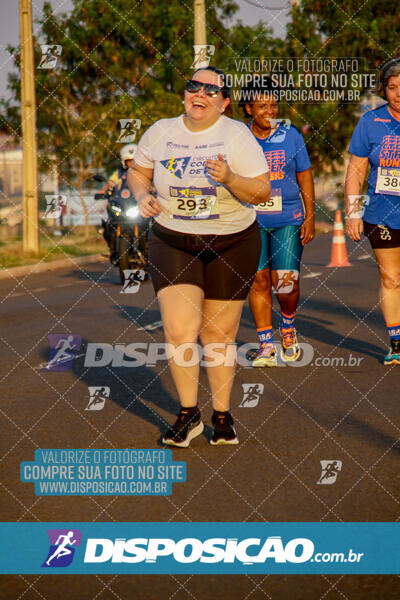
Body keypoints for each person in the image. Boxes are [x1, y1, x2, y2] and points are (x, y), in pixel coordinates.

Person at [128, 66, 270, 446]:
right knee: (178, 332)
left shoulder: (236, 136)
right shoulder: (161, 132)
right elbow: (138, 172)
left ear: (224, 104)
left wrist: (230, 179)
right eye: (195, 86)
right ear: (184, 94)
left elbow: (261, 191)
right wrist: (142, 196)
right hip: (173, 240)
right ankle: (188, 414)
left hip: (232, 241)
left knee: (218, 336)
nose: (200, 94)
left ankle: (222, 415)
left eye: (211, 91)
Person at [240, 77, 315, 367]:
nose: (269, 111)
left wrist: (309, 216)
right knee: (258, 281)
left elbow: (304, 175)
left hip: (288, 219)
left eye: (273, 105)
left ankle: (287, 326)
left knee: (285, 282)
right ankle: (266, 345)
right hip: (250, 221)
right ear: (248, 108)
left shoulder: (291, 135)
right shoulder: (239, 139)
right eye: (262, 106)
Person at [345, 58, 400, 365]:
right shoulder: (370, 122)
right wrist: (353, 213)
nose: (398, 93)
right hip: (382, 214)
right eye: (392, 87)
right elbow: (356, 169)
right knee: (391, 277)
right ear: (383, 90)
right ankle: (396, 342)